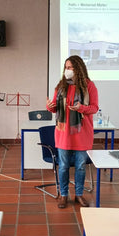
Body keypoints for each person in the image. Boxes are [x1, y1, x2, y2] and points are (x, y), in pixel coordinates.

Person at [46, 55, 98, 209]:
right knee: (63, 166)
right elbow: (55, 107)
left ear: (78, 69)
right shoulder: (61, 86)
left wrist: (81, 108)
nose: (67, 71)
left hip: (82, 134)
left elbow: (94, 108)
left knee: (81, 166)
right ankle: (63, 195)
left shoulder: (89, 86)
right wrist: (50, 106)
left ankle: (79, 195)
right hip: (63, 133)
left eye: (70, 68)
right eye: (66, 67)